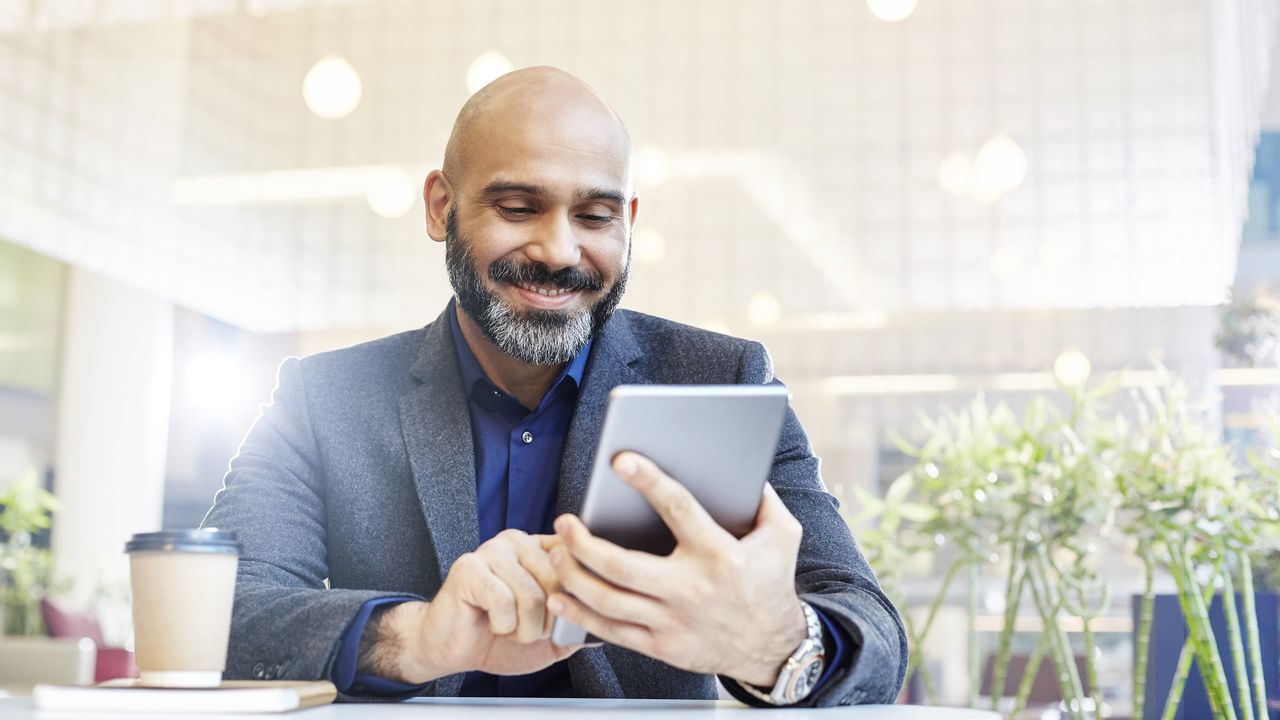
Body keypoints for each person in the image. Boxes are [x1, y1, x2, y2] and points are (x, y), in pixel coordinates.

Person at [202, 66, 906, 707]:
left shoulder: (723, 376)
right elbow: (216, 614)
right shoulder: (322, 399)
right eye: (517, 206)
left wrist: (777, 643)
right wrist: (415, 638)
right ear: (441, 207)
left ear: (628, 223)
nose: (560, 250)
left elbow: (870, 630)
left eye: (595, 216)